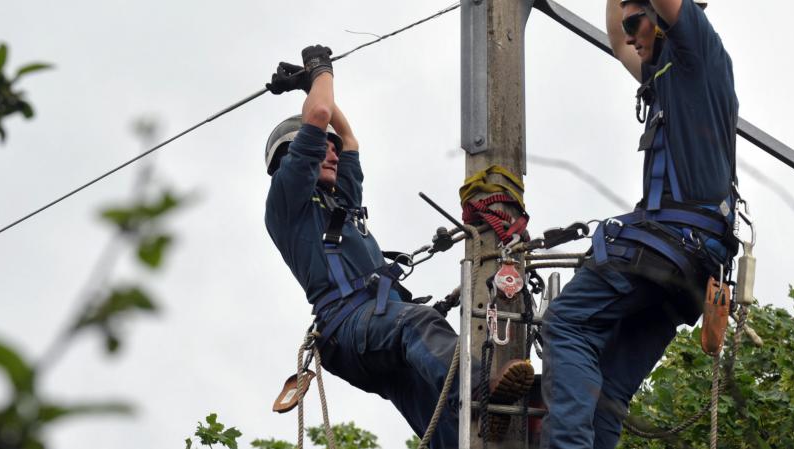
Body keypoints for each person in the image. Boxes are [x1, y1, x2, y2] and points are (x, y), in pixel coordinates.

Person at [262, 45, 533, 448]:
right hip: (350, 325)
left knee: (443, 418)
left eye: (333, 148)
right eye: (323, 147)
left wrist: (311, 85)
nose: (334, 152)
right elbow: (318, 116)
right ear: (291, 158)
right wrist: (321, 71)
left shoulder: (342, 200)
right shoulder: (289, 202)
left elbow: (348, 137)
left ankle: (475, 424)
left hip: (373, 332)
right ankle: (482, 389)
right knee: (418, 324)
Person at [539, 0, 739, 447]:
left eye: (637, 22)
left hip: (669, 248)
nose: (630, 35)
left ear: (664, 19)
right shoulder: (666, 76)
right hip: (685, 268)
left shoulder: (697, 51)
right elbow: (615, 40)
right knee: (607, 387)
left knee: (566, 324)